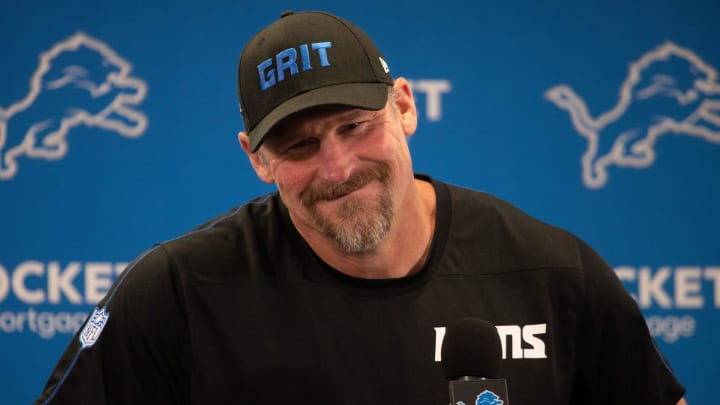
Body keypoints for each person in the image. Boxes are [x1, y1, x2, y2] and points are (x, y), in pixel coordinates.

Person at [35, 10, 687, 405]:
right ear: (256, 159)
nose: (338, 168)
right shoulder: (178, 292)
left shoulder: (554, 276)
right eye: (299, 145)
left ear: (404, 105)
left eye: (354, 126)